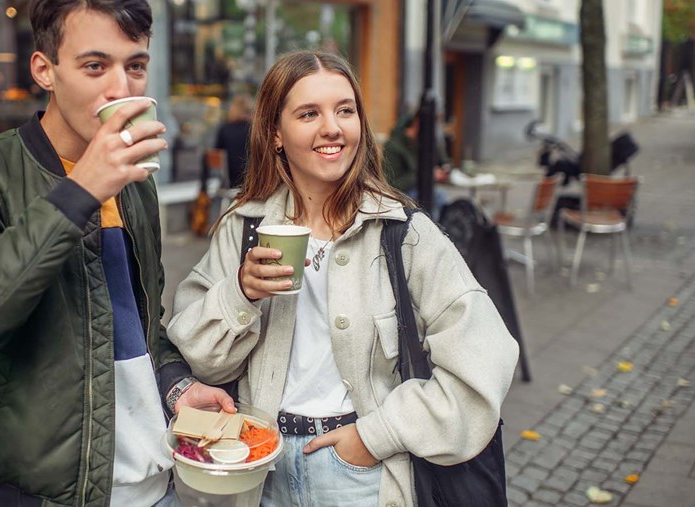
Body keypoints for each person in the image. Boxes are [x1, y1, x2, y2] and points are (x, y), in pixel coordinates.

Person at [166, 50, 519, 506]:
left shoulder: (402, 232)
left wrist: (376, 436)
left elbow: (485, 360)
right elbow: (202, 361)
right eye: (309, 113)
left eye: (345, 110)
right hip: (260, 469)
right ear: (276, 134)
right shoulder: (243, 226)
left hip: (359, 475)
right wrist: (242, 292)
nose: (332, 127)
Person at [0, 1, 233, 506]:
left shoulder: (135, 183)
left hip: (157, 477)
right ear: (44, 70)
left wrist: (177, 386)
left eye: (135, 65)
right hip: (51, 490)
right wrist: (80, 190)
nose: (121, 88)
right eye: (95, 66)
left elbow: (138, 323)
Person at [381, 111, 451, 220]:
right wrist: (427, 175)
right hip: (403, 195)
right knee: (435, 198)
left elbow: (443, 159)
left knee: (441, 197)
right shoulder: (394, 146)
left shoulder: (426, 142)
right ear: (417, 123)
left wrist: (445, 168)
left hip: (424, 189)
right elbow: (392, 184)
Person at [214, 92, 254, 189]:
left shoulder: (224, 129)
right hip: (250, 181)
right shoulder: (253, 130)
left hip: (229, 181)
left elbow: (217, 151)